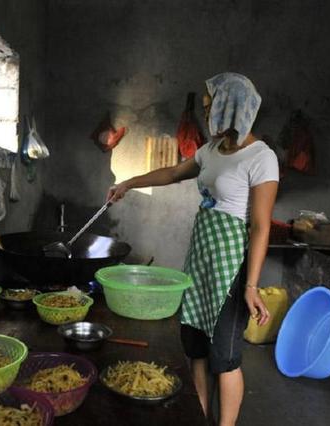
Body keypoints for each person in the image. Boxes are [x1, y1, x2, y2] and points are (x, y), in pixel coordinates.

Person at [107, 72, 279, 426]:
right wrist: (127, 183)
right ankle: (200, 417)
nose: (205, 112)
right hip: (201, 258)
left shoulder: (262, 157)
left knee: (225, 356)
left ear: (230, 106)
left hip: (231, 267)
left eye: (209, 104)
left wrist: (251, 286)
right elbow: (172, 174)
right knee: (196, 346)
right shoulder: (211, 151)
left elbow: (261, 227)